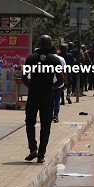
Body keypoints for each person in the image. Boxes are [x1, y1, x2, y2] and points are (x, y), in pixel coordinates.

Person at [22, 35, 64, 163]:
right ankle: (41, 155)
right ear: (50, 44)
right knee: (46, 125)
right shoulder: (55, 60)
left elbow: (24, 77)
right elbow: (61, 81)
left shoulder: (31, 58)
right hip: (47, 96)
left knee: (30, 123)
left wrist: (31, 87)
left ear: (39, 43)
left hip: (33, 95)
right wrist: (51, 87)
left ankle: (33, 149)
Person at [51, 45, 67, 123]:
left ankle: (49, 115)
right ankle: (56, 115)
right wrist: (66, 81)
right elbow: (64, 71)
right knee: (57, 99)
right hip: (59, 82)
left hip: (49, 83)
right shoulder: (61, 59)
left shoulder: (47, 58)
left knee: (49, 100)